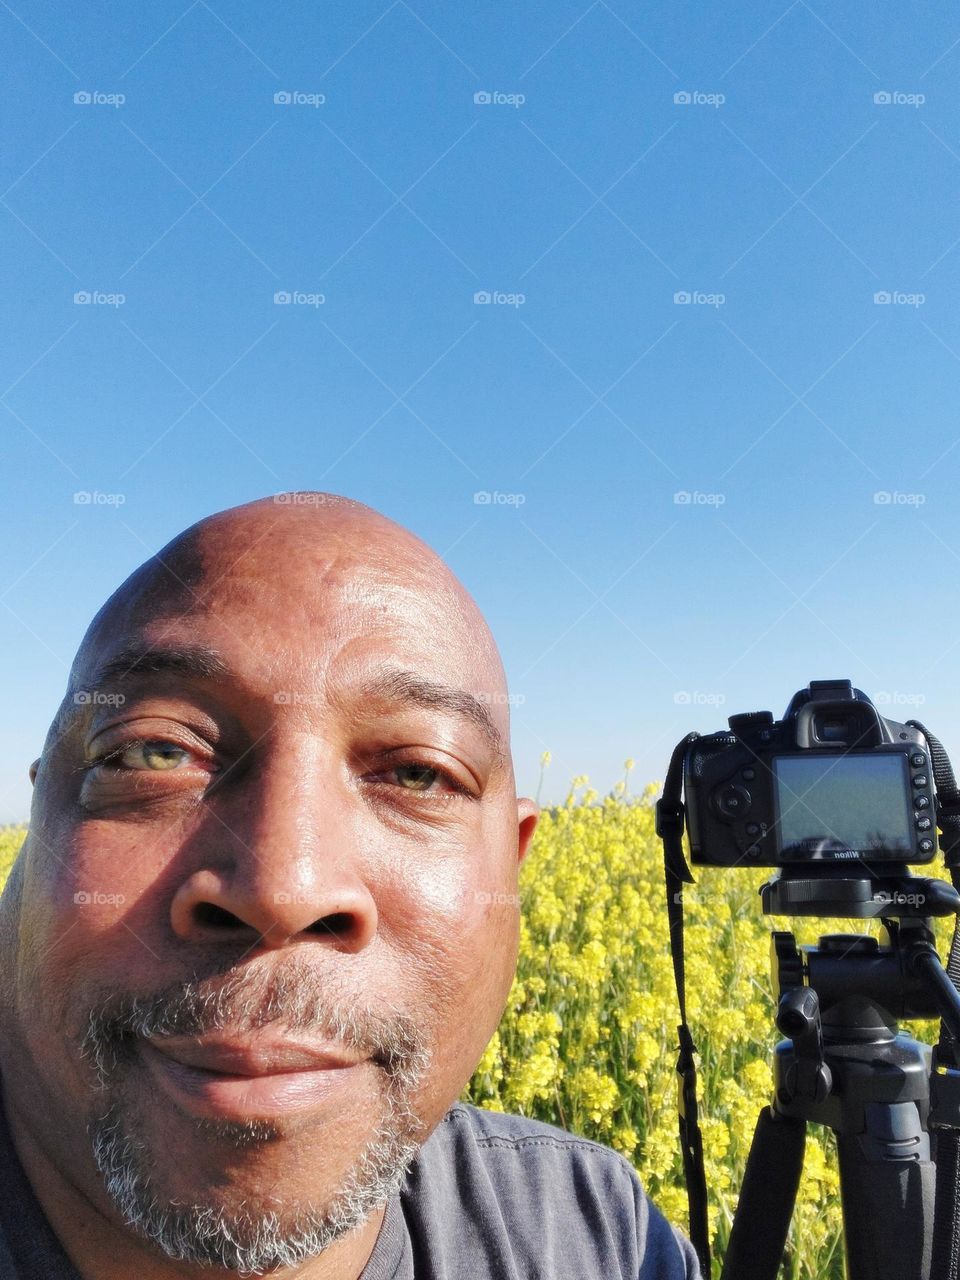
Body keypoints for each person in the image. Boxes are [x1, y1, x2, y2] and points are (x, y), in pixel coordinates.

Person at [0, 492, 701, 1279]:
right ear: (37, 819)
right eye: (155, 753)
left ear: (513, 864)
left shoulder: (597, 1236)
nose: (284, 889)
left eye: (417, 773)